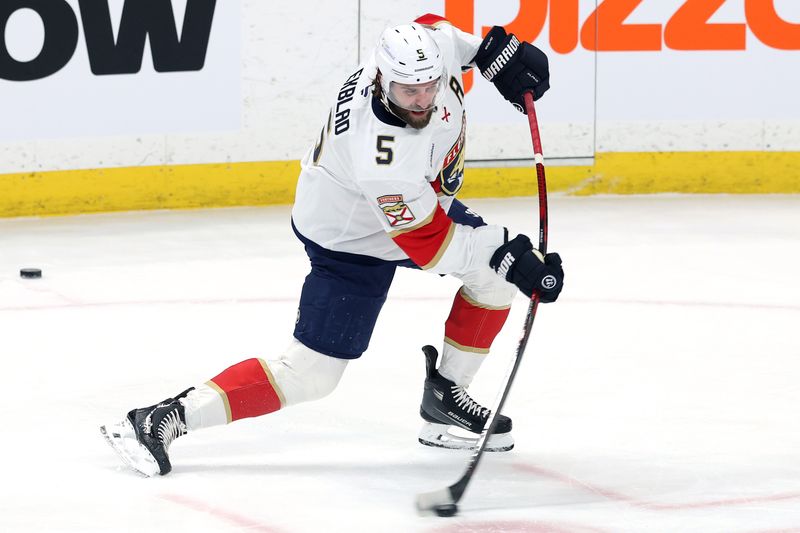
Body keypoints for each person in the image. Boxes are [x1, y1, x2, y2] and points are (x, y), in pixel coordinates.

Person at [101, 14, 564, 477]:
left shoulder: (421, 58)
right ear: (382, 79)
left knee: (494, 279)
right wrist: (503, 251)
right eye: (409, 91)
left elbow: (437, 29)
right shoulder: (381, 154)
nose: (423, 99)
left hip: (416, 209)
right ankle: (160, 419)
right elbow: (430, 245)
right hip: (350, 238)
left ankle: (444, 398)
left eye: (429, 87)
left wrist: (494, 51)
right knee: (311, 375)